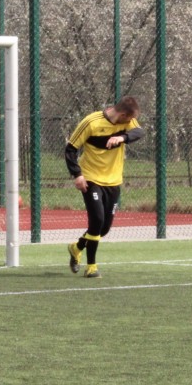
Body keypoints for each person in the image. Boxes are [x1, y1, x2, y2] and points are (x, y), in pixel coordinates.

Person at [65, 96, 145, 279]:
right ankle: (91, 267)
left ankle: (76, 247)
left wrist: (121, 137)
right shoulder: (91, 122)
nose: (132, 122)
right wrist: (77, 175)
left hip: (114, 181)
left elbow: (139, 132)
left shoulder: (127, 122)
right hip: (91, 179)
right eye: (130, 118)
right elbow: (70, 149)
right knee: (97, 220)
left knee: (104, 228)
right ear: (123, 115)